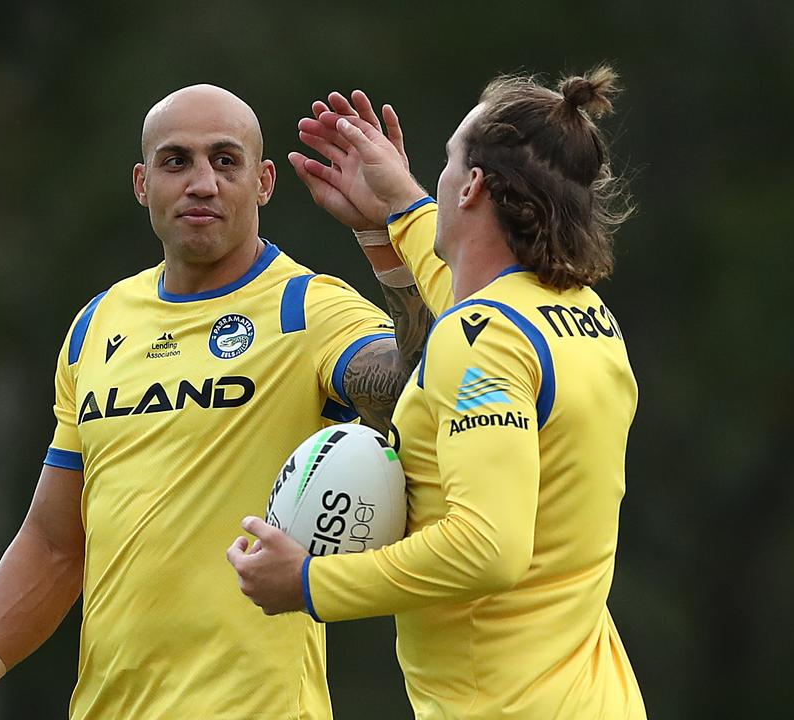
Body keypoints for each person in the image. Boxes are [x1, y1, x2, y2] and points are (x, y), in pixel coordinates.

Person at [0, 84, 434, 720]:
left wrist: (387, 237)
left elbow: (418, 391)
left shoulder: (307, 307)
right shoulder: (97, 325)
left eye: (226, 161)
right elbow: (57, 543)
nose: (201, 183)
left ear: (264, 182)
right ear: (142, 184)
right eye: (176, 162)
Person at [228, 67, 647, 718]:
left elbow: (488, 549)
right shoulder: (581, 314)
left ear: (474, 186)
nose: (440, 179)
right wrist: (394, 205)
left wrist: (309, 582)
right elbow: (461, 290)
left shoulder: (482, 339)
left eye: (448, 163)